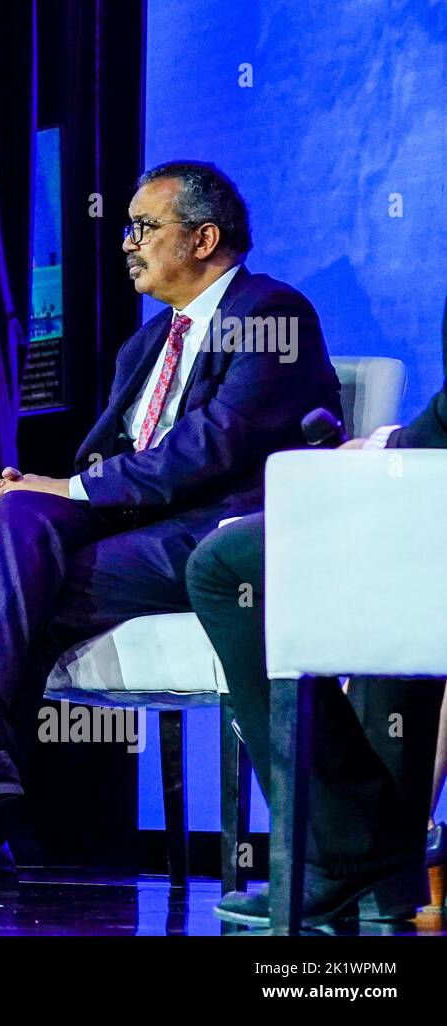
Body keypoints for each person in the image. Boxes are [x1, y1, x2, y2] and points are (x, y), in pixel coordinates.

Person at [0, 161, 342, 890]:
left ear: (204, 237)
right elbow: (113, 460)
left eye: (145, 227)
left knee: (18, 593)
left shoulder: (272, 314)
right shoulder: (148, 344)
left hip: (223, 543)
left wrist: (70, 487)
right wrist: (34, 492)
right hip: (138, 535)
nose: (127, 243)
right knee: (22, 522)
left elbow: (214, 443)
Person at [191, 357, 447, 927]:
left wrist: (382, 452)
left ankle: (343, 848)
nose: (133, 258)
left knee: (225, 566)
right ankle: (378, 860)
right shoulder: (143, 349)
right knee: (398, 559)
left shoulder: (267, 314)